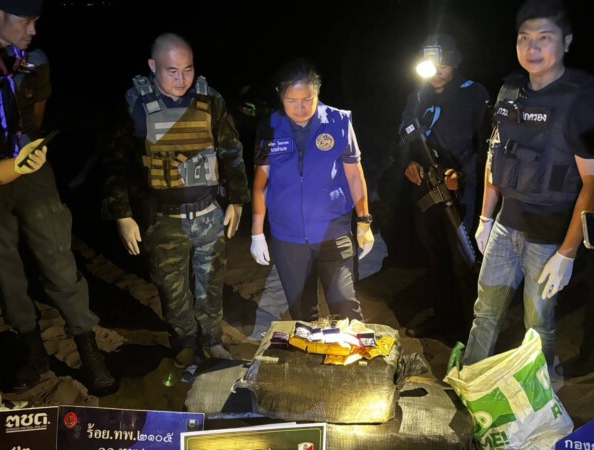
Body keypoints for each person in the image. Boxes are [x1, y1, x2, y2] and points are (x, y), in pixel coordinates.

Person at [0, 0, 118, 397]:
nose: (33, 30)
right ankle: (34, 352)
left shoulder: (36, 61)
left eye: (36, 21)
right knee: (6, 270)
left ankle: (88, 348)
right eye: (25, 20)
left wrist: (27, 153)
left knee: (58, 259)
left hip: (31, 172)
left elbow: (36, 116)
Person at [102, 33, 250, 366]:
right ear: (153, 66)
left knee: (211, 285)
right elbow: (115, 162)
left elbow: (230, 150)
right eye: (172, 71)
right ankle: (184, 342)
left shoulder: (210, 99)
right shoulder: (134, 103)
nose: (182, 79)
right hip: (162, 218)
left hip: (208, 212)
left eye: (188, 69)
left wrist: (237, 200)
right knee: (172, 288)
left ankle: (212, 340)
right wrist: (122, 215)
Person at [463, 0, 594, 372]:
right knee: (484, 312)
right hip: (505, 226)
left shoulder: (580, 99)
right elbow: (496, 157)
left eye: (544, 38)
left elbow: (591, 183)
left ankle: (540, 390)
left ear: (566, 42)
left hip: (549, 235)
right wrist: (485, 218)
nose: (532, 48)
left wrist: (567, 253)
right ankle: (470, 379)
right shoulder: (510, 91)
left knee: (538, 324)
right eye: (524, 38)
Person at [250, 58, 373, 322]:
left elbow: (354, 175)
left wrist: (364, 222)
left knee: (347, 312)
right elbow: (261, 184)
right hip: (288, 239)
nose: (300, 108)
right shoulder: (269, 127)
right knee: (303, 318)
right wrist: (257, 233)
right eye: (291, 101)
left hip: (334, 233)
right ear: (279, 95)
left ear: (317, 92)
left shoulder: (339, 121)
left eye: (307, 99)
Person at [398, 34, 490, 339]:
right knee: (435, 258)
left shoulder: (474, 94)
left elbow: (487, 146)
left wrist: (463, 175)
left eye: (444, 65)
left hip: (462, 193)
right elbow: (404, 137)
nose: (437, 72)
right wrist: (410, 162)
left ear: (455, 63)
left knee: (464, 261)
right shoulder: (418, 96)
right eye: (431, 66)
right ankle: (443, 319)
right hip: (426, 189)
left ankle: (471, 331)